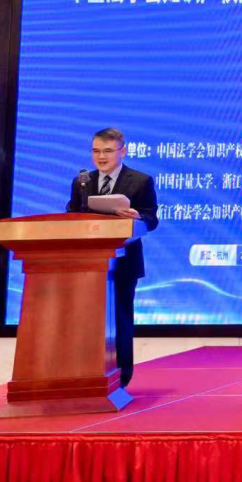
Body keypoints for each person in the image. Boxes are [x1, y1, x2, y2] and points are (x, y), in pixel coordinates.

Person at [64, 126, 159, 390]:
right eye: (96, 151)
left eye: (107, 151)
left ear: (122, 151)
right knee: (85, 321)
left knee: (120, 319)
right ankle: (86, 374)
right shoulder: (82, 182)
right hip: (86, 264)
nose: (101, 157)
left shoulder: (140, 181)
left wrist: (138, 217)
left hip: (123, 263)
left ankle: (122, 378)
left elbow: (152, 219)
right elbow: (71, 215)